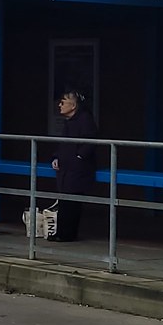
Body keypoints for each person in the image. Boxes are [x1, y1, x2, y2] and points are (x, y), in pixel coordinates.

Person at [50, 89, 98, 241]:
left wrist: (79, 156)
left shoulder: (85, 119)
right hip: (66, 167)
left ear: (73, 105)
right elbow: (63, 145)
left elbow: (90, 142)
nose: (60, 105)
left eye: (63, 102)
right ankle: (61, 232)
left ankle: (68, 234)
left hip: (77, 169)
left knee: (72, 202)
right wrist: (56, 157)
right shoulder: (69, 122)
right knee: (64, 200)